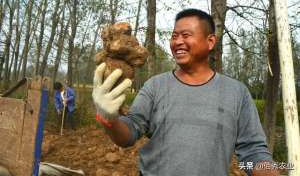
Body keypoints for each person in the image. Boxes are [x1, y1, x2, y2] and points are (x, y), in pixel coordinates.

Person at [92, 9, 279, 176]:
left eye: (186, 35)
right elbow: (129, 134)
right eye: (174, 36)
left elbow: (253, 151)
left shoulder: (237, 93)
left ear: (210, 41)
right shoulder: (155, 86)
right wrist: (109, 119)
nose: (177, 42)